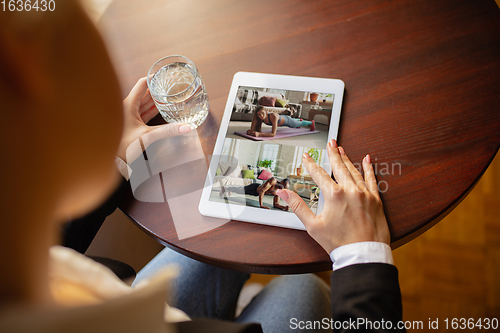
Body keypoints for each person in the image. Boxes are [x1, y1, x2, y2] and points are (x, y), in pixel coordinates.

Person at [0, 1, 405, 332]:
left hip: (128, 297)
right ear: (28, 66)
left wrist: (115, 158)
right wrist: (361, 256)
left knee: (232, 248)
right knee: (304, 294)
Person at [220, 178, 290, 210]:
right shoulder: (273, 181)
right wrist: (261, 205)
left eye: (285, 188)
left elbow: (276, 204)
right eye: (283, 186)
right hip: (254, 188)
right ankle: (227, 188)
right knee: (239, 191)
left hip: (256, 193)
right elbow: (262, 191)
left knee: (239, 190)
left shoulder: (279, 191)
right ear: (281, 182)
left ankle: (230, 188)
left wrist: (284, 207)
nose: (283, 188)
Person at [246, 106, 315, 138]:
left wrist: (259, 134)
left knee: (297, 124)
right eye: (259, 114)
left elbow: (273, 134)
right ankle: (298, 120)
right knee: (295, 122)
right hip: (281, 119)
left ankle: (311, 122)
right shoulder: (261, 118)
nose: (261, 116)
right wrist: (251, 131)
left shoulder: (273, 117)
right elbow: (256, 129)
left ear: (266, 112)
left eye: (262, 113)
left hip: (287, 121)